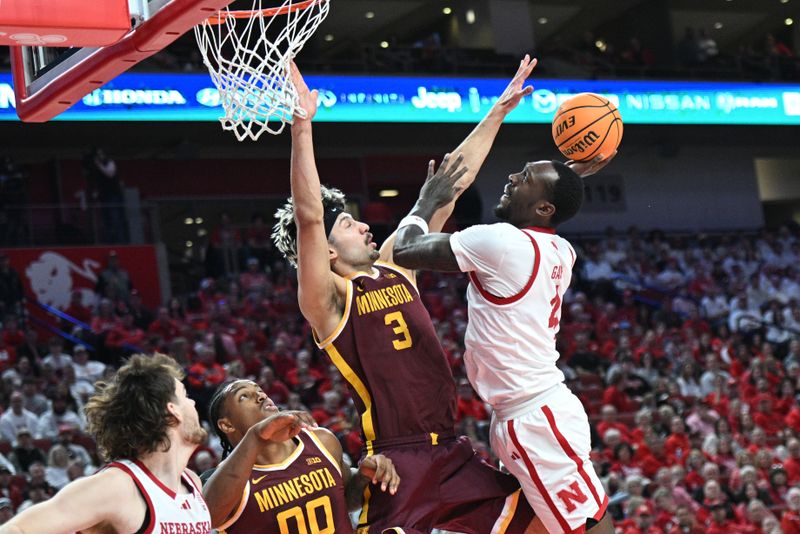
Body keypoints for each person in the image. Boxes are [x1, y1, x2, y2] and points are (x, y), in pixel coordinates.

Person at [272, 60, 540, 533]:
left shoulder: (398, 264)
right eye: (349, 224)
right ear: (328, 250)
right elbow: (310, 217)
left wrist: (497, 113)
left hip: (454, 451)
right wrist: (301, 126)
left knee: (543, 520)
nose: (363, 224)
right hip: (398, 460)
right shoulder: (328, 300)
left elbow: (447, 189)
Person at [391, 63, 616, 532]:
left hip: (533, 418)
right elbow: (550, 205)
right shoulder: (559, 248)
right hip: (534, 410)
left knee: (589, 526)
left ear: (542, 207)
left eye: (526, 176)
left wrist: (425, 202)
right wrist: (570, 171)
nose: (513, 175)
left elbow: (407, 250)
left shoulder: (501, 243)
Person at [0, 354, 211, 534]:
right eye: (185, 395)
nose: (193, 403)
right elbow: (16, 530)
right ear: (172, 410)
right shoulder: (117, 487)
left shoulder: (192, 482)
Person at [202, 379, 400, 532]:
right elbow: (207, 518)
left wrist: (364, 476)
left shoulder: (321, 441)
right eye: (244, 396)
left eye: (260, 390)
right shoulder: (223, 481)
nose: (261, 396)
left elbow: (346, 500)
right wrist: (256, 436)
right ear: (227, 425)